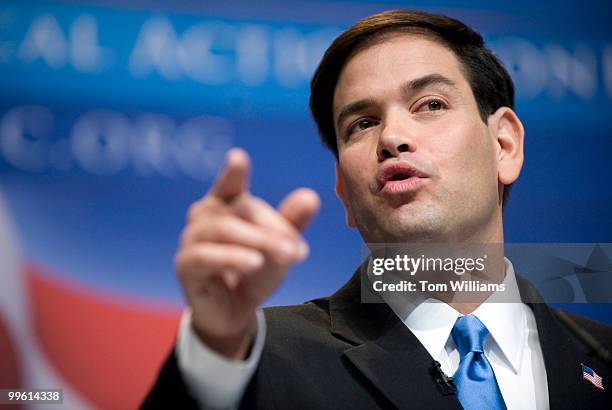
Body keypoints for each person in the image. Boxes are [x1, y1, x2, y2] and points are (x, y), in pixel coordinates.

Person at [142, 9, 612, 409]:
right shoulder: (257, 360)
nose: (391, 137)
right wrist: (214, 350)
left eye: (430, 104)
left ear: (504, 145)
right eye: (362, 123)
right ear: (345, 192)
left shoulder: (601, 355)